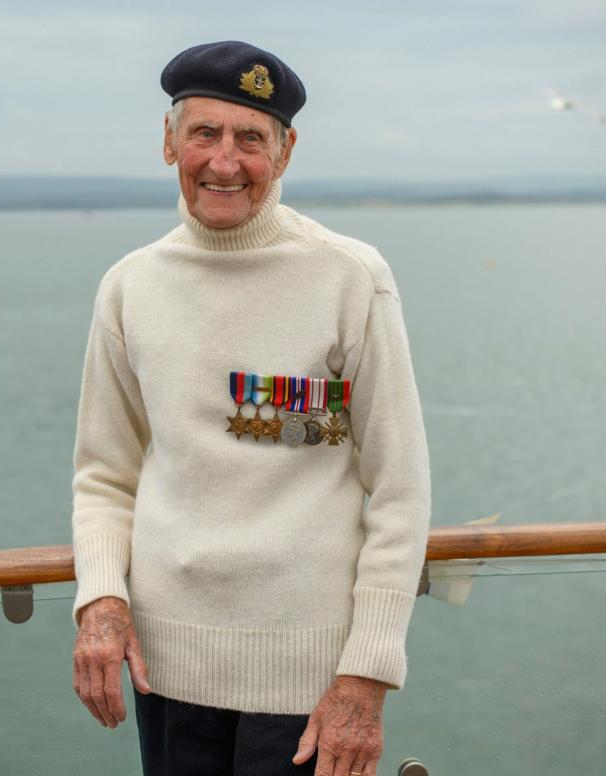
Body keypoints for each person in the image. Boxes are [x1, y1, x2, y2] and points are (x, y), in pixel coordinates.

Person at [70, 40, 431, 776]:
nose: (223, 162)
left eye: (250, 139)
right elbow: (105, 475)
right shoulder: (129, 286)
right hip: (162, 670)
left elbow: (398, 490)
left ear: (286, 150)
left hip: (310, 679)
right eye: (203, 133)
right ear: (168, 140)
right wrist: (100, 602)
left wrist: (368, 673)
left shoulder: (349, 277)